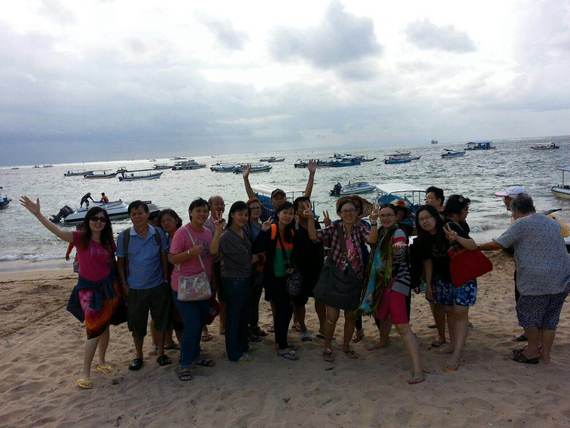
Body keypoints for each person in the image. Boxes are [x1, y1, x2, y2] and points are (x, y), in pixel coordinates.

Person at [20, 196, 121, 389]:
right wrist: (38, 214)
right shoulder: (80, 238)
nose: (98, 222)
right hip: (88, 291)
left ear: (106, 223)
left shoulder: (109, 242)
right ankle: (85, 373)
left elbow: (112, 266)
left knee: (105, 326)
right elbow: (57, 231)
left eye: (102, 219)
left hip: (109, 289)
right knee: (93, 330)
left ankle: (102, 362)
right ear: (88, 221)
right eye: (94, 218)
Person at [478, 194, 570, 364]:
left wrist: (475, 246)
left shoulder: (521, 223)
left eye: (512, 212)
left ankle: (532, 351)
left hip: (537, 280)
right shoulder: (550, 221)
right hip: (563, 278)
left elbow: (498, 244)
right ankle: (546, 356)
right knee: (550, 320)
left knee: (528, 316)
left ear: (516, 211)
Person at [309, 196, 379, 362]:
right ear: (339, 213)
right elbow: (314, 236)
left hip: (355, 277)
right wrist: (310, 218)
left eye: (352, 210)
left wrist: (374, 222)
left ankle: (346, 346)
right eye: (345, 211)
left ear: (357, 213)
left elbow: (372, 240)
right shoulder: (334, 227)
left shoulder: (361, 227)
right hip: (335, 277)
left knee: (350, 316)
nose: (348, 213)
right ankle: (327, 345)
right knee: (331, 317)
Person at [360, 204, 424, 384]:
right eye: (382, 215)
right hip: (383, 283)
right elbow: (370, 242)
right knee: (384, 316)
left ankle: (418, 370)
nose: (385, 218)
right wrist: (371, 222)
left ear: (396, 217)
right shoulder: (382, 232)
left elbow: (400, 257)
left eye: (389, 215)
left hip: (396, 283)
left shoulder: (398, 234)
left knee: (402, 327)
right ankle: (383, 341)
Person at [169, 198, 223, 381]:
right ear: (190, 212)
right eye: (198, 210)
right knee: (191, 324)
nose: (202, 214)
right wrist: (190, 253)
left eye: (204, 211)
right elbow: (172, 259)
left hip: (202, 286)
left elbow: (212, 255)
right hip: (183, 287)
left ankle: (197, 355)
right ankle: (184, 364)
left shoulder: (208, 232)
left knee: (199, 323)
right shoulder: (182, 233)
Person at [116, 201, 171, 371]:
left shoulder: (158, 233)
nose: (137, 216)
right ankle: (138, 356)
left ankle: (161, 353)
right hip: (135, 288)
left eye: (140, 213)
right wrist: (124, 284)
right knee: (137, 325)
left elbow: (163, 257)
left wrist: (165, 279)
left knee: (161, 321)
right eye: (133, 214)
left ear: (147, 214)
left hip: (157, 285)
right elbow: (121, 263)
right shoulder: (124, 237)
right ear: (130, 217)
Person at [425, 195, 478, 371]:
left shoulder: (455, 226)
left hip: (461, 276)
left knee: (460, 313)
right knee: (449, 311)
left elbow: (472, 245)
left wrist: (457, 238)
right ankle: (452, 345)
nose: (467, 213)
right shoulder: (443, 225)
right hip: (447, 277)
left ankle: (456, 353)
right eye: (465, 210)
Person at [253, 202, 300, 360]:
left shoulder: (291, 232)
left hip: (287, 278)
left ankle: (282, 341)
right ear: (278, 214)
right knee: (283, 311)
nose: (288, 216)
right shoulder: (271, 230)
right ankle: (281, 345)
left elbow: (296, 254)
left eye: (291, 213)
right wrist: (262, 231)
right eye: (285, 212)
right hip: (273, 278)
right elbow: (257, 248)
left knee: (286, 311)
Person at [220, 201, 254, 362]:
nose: (243, 217)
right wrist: (256, 258)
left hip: (245, 278)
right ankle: (233, 352)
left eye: (246, 215)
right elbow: (245, 259)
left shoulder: (243, 231)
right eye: (240, 214)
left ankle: (242, 346)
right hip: (234, 280)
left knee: (243, 316)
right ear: (232, 214)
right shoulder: (226, 236)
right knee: (233, 317)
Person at [495, 185, 527, 342]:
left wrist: (475, 246)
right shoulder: (519, 217)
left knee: (524, 301)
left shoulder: (520, 220)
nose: (503, 201)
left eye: (506, 198)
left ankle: (531, 335)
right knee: (522, 301)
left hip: (527, 270)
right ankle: (529, 332)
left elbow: (503, 243)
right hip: (523, 267)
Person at [291, 196, 325, 341]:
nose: (306, 209)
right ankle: (302, 326)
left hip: (317, 266)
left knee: (320, 298)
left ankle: (323, 327)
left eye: (308, 206)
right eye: (302, 207)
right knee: (299, 301)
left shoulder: (316, 223)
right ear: (296, 211)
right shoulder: (292, 226)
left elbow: (318, 240)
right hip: (299, 268)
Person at [243, 160, 317, 221]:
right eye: (276, 198)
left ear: (285, 199)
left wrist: (311, 175)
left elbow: (305, 198)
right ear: (271, 201)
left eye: (281, 198)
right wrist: (246, 179)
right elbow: (252, 198)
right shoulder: (268, 214)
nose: (279, 200)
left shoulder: (292, 213)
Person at [157, 209, 185, 350]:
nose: (166, 223)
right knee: (173, 314)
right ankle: (174, 343)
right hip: (168, 280)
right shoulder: (165, 238)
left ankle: (185, 345)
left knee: (181, 315)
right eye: (163, 221)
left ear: (176, 220)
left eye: (169, 219)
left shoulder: (182, 235)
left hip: (183, 280)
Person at [245, 198, 267, 339]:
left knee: (255, 298)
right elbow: (252, 246)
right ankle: (249, 328)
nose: (256, 210)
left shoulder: (260, 224)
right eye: (253, 208)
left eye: (258, 207)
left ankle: (254, 326)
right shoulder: (246, 227)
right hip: (250, 267)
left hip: (260, 267)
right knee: (249, 299)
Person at [205, 195, 226, 338]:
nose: (219, 206)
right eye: (216, 204)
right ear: (209, 207)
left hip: (223, 266)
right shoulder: (206, 225)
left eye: (222, 204)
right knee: (206, 297)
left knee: (223, 297)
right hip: (209, 266)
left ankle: (223, 326)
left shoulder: (226, 223)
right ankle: (204, 330)